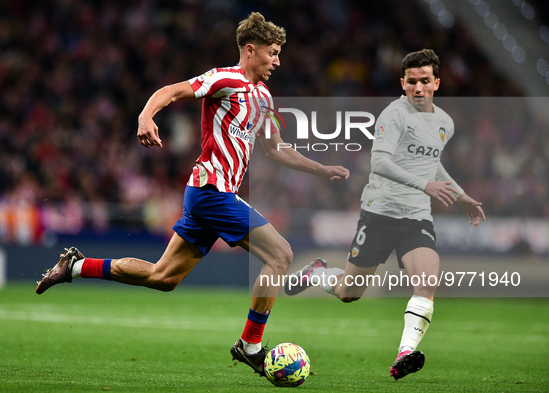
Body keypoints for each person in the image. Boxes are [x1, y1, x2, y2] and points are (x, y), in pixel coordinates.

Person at [35, 12, 349, 378]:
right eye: (273, 53)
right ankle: (250, 346)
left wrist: (322, 169)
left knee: (162, 278)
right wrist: (145, 116)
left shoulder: (264, 98)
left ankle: (74, 266)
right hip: (211, 190)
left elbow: (278, 149)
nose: (278, 61)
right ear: (251, 50)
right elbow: (170, 91)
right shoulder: (223, 79)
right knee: (281, 254)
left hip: (210, 195)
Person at [285, 49, 485, 380]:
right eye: (412, 82)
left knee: (426, 282)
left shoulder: (444, 123)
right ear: (402, 83)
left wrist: (461, 195)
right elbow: (379, 162)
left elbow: (432, 162)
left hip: (417, 218)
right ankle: (317, 272)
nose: (418, 88)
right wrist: (425, 185)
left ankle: (405, 351)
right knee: (349, 292)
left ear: (437, 82)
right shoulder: (394, 115)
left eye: (425, 81)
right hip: (380, 214)